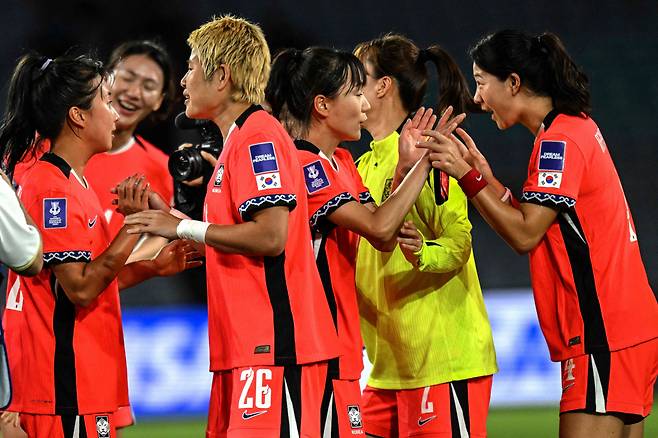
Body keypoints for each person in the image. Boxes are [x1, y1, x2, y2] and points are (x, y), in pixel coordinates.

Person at [420, 29, 658, 438]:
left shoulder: (558, 143)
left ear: (513, 82)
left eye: (481, 82)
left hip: (602, 332)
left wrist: (467, 176)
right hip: (623, 327)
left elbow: (526, 234)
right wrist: (485, 181)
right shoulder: (570, 129)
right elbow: (541, 220)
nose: (477, 99)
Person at [123, 16, 341, 437]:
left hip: (276, 349)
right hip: (245, 349)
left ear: (221, 76)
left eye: (190, 68)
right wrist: (176, 222)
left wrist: (184, 230)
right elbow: (239, 240)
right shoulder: (237, 142)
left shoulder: (259, 138)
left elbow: (271, 236)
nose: (183, 81)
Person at [0, 51, 199, 438]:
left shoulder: (75, 183)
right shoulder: (51, 190)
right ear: (78, 116)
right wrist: (132, 225)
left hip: (79, 381)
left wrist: (151, 266)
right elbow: (80, 287)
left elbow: (87, 279)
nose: (114, 113)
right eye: (105, 101)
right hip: (59, 386)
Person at [265, 47, 461, 437]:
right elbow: (380, 228)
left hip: (341, 347)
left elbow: (383, 237)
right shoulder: (304, 166)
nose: (363, 105)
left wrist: (404, 167)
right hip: (311, 349)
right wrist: (425, 163)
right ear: (322, 105)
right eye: (355, 93)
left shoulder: (341, 163)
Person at [353, 34, 498, 437]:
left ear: (381, 86)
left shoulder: (434, 151)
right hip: (388, 368)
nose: (345, 83)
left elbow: (459, 240)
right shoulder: (361, 164)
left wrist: (423, 252)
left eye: (356, 75)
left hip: (442, 361)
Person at [86, 39, 175, 235]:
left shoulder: (162, 169)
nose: (134, 92)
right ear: (106, 77)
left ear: (159, 101)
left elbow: (157, 240)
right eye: (127, 77)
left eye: (149, 86)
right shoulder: (49, 143)